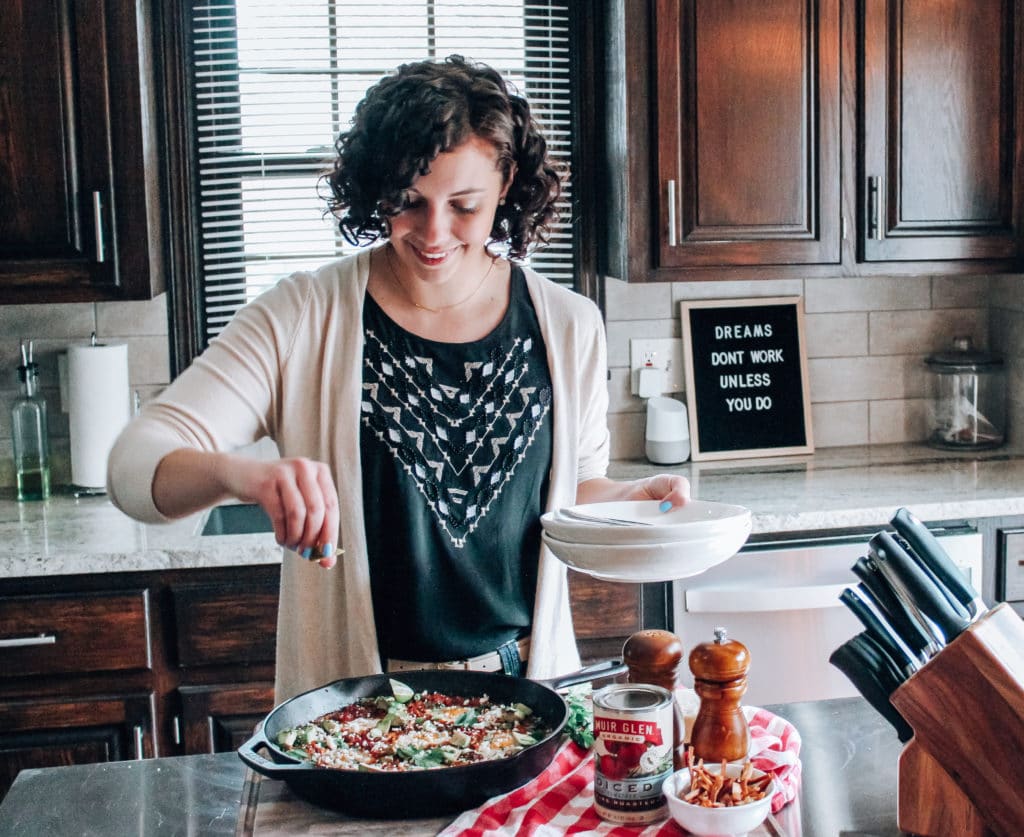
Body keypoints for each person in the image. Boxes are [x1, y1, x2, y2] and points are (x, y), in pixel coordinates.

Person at [107, 55, 690, 701]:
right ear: (374, 187)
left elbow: (573, 488)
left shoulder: (568, 323)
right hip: (354, 704)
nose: (434, 233)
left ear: (507, 182)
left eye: (463, 205)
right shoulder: (304, 315)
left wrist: (635, 504)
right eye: (407, 202)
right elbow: (133, 471)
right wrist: (241, 475)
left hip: (529, 689)